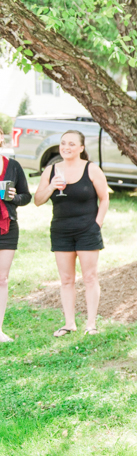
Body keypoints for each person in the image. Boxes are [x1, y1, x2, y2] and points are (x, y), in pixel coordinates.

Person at [34, 130, 109, 337]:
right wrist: (50, 186)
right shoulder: (51, 170)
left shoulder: (92, 169)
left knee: (90, 277)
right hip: (61, 230)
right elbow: (38, 200)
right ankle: (69, 324)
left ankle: (91, 324)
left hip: (87, 230)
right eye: (63, 143)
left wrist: (97, 224)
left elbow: (104, 198)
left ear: (81, 148)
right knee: (66, 279)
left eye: (72, 144)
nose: (66, 147)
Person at [0, 132, 32, 343]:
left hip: (7, 226)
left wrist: (15, 198)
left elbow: (26, 196)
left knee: (1, 279)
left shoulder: (13, 166)